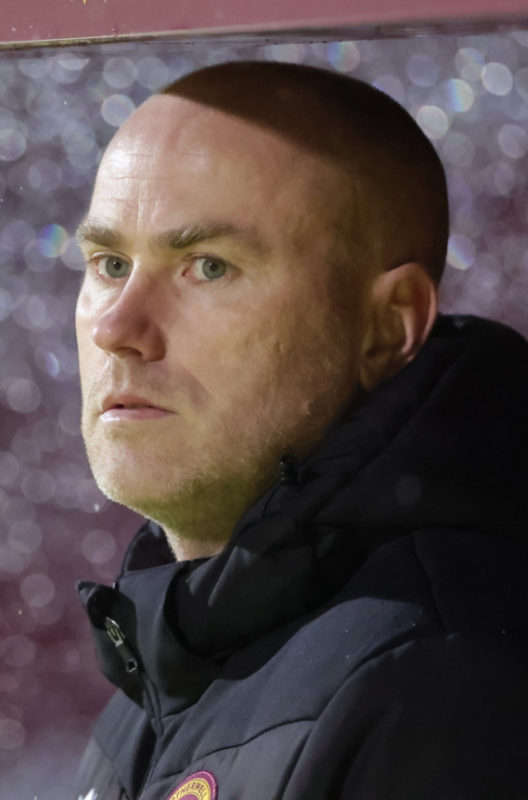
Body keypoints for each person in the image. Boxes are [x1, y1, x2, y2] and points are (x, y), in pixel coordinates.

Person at [71, 60, 528, 800]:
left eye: (208, 267)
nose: (117, 328)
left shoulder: (434, 682)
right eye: (110, 263)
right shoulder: (165, 664)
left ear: (389, 327)